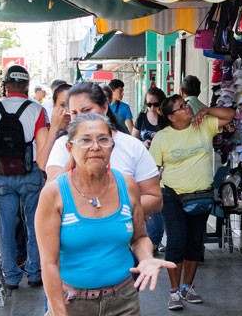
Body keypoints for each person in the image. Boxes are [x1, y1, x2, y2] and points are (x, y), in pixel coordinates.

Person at [35, 113, 176, 316]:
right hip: (72, 304)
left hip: (124, 301)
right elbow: (49, 263)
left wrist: (146, 258)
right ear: (70, 148)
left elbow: (140, 237)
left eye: (103, 139)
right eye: (85, 140)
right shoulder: (54, 194)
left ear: (112, 146)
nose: (95, 147)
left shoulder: (127, 186)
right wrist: (58, 311)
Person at [149, 94, 235, 311]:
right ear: (171, 117)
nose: (186, 108)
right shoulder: (162, 138)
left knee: (195, 244)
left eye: (185, 104)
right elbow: (152, 170)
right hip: (172, 196)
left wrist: (205, 110)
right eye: (180, 107)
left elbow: (230, 115)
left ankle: (187, 287)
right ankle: (174, 291)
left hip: (201, 196)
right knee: (177, 242)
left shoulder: (203, 124)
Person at [44, 82, 162, 217]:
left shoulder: (132, 146)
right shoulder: (63, 146)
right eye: (74, 113)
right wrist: (74, 155)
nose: (80, 118)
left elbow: (154, 198)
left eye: (86, 110)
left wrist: (119, 211)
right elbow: (49, 195)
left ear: (105, 108)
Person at [0, 65, 48, 290]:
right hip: (31, 173)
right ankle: (34, 273)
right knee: (34, 224)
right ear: (27, 85)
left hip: (3, 176)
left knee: (6, 226)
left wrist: (1, 159)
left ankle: (11, 276)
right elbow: (43, 144)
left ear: (6, 84)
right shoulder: (37, 109)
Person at [132, 86, 167, 253]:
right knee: (151, 203)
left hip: (166, 166)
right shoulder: (141, 118)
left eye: (155, 104)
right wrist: (143, 144)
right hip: (146, 167)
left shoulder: (166, 119)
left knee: (161, 202)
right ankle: (153, 241)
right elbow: (133, 139)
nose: (152, 108)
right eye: (148, 104)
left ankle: (157, 239)